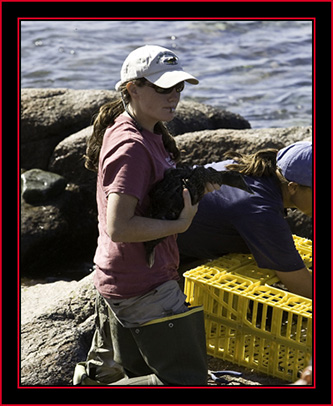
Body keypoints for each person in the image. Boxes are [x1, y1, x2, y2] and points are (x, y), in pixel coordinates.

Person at [74, 45, 218, 386]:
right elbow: (120, 226)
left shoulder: (146, 131)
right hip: (142, 286)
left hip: (126, 277)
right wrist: (180, 224)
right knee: (186, 383)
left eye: (178, 87)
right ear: (132, 88)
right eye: (163, 87)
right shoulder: (132, 147)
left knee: (129, 373)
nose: (174, 96)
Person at [177, 141, 313, 299]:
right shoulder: (260, 211)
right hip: (154, 256)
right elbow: (301, 285)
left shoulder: (252, 171)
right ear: (293, 187)